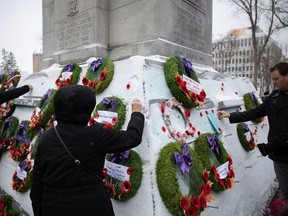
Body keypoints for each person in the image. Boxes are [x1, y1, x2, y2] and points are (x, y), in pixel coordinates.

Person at [30, 85, 145, 216]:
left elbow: (37, 185)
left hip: (54, 207)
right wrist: (136, 113)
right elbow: (132, 138)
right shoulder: (95, 135)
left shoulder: (47, 138)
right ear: (86, 107)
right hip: (91, 207)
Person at [218, 62, 288, 205]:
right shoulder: (275, 96)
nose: (274, 82)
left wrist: (270, 146)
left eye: (276, 79)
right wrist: (231, 116)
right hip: (280, 156)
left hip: (283, 150)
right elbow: (256, 112)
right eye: (272, 79)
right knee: (286, 190)